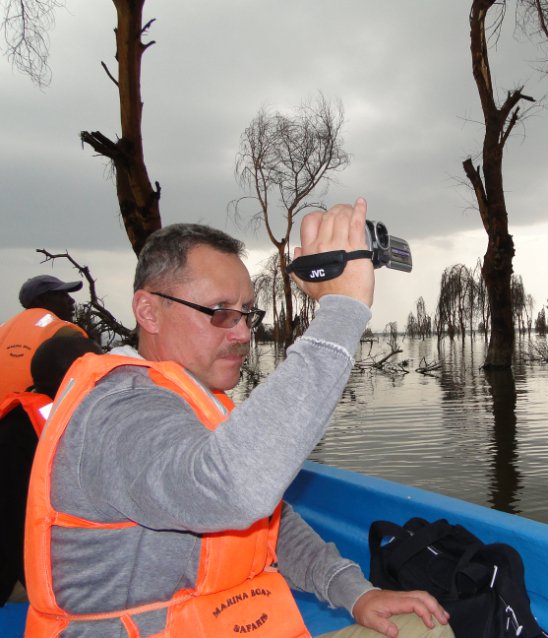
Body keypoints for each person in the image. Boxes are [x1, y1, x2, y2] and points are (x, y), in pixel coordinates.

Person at [24, 199, 453, 638]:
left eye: (248, 313)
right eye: (220, 312)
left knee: (423, 629)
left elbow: (267, 521)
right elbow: (233, 490)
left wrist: (354, 592)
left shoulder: (192, 402)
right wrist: (342, 311)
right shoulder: (115, 415)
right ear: (148, 311)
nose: (243, 333)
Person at [0, 335, 102, 607]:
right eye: (97, 370)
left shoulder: (56, 416)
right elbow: (16, 521)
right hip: (17, 581)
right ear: (69, 377)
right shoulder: (16, 436)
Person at [0, 275, 87, 397]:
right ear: (41, 300)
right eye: (63, 295)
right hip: (34, 412)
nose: (71, 301)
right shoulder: (65, 334)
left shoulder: (4, 329)